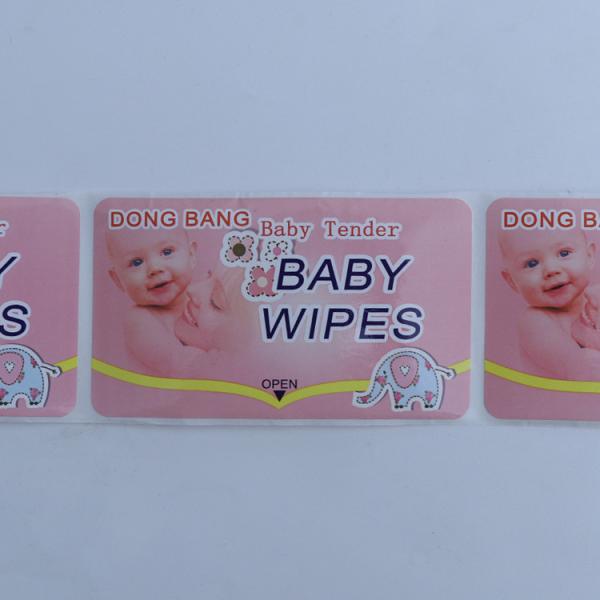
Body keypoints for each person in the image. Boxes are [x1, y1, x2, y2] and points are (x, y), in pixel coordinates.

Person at [106, 227, 245, 376]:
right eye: (136, 262)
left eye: (167, 252)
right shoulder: (140, 320)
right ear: (118, 279)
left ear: (191, 255)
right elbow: (181, 364)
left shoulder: (199, 297)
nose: (155, 268)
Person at [499, 226, 600, 379]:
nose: (551, 270)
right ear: (512, 281)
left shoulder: (595, 296)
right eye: (532, 263)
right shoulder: (535, 322)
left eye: (564, 253)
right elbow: (580, 369)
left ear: (589, 256)